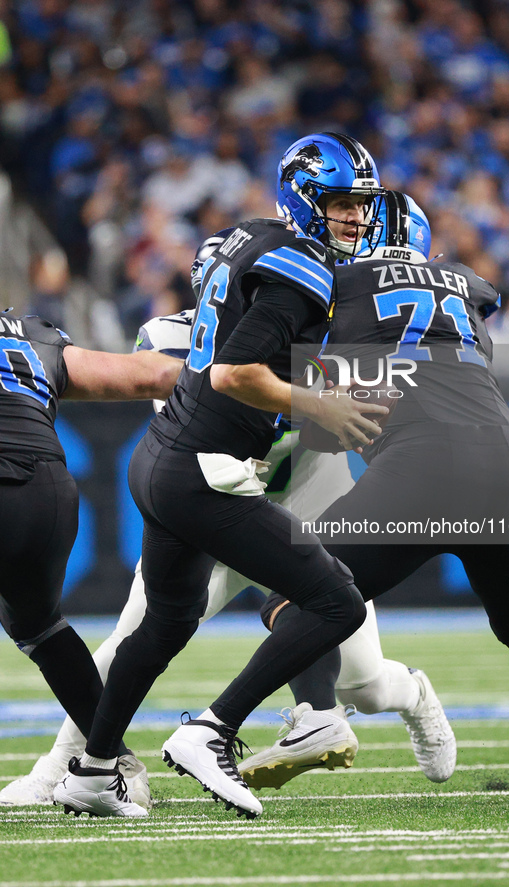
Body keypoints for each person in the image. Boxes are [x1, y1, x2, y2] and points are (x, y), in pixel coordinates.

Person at [1, 232, 455, 806]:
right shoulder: (171, 337)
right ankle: (68, 767)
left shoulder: (325, 332)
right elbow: (197, 409)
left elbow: (350, 429)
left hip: (300, 505)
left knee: (363, 683)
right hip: (216, 502)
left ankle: (411, 694)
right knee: (130, 640)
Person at [52, 132, 390, 820]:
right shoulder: (303, 265)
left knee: (165, 624)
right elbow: (236, 372)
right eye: (340, 203)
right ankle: (211, 730)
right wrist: (313, 399)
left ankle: (90, 768)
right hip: (207, 469)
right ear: (305, 198)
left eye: (362, 204)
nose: (355, 217)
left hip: (161, 457)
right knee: (336, 601)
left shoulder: (250, 236)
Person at [236, 190, 509, 807]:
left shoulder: (333, 280)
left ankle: (318, 715)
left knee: (296, 594)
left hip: (421, 463)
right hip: (507, 454)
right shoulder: (462, 284)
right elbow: (473, 306)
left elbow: (311, 381)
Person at [0, 311, 182, 813]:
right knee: (39, 627)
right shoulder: (29, 334)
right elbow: (153, 374)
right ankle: (114, 766)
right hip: (47, 490)